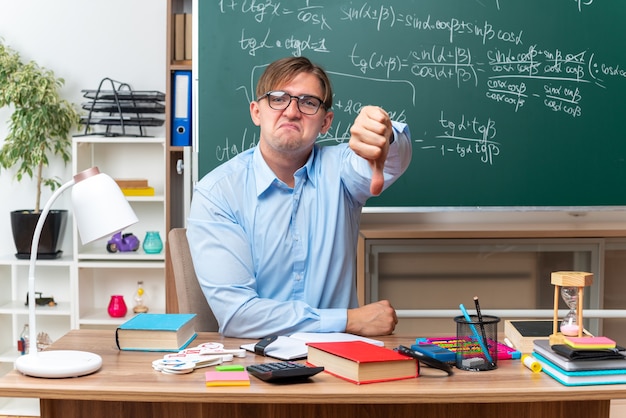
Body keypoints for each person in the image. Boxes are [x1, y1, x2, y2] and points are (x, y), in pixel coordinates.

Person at [187, 56, 412, 338]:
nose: (292, 112)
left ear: (326, 122)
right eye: (278, 99)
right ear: (256, 112)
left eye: (308, 102)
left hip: (337, 362)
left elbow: (391, 161)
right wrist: (348, 320)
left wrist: (384, 134)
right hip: (253, 364)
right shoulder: (218, 193)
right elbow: (238, 316)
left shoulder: (342, 169)